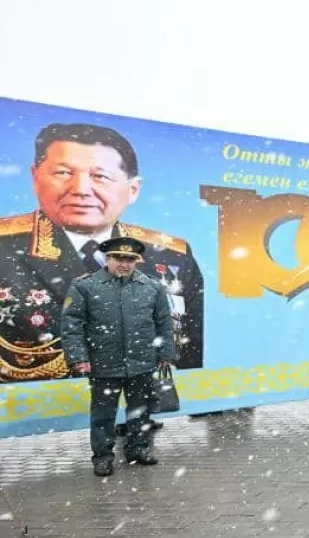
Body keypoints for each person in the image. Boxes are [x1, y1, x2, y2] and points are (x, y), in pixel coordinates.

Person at [0, 123, 203, 384]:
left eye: (100, 176)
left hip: (136, 402)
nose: (81, 189)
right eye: (63, 172)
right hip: (35, 412)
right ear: (35, 177)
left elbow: (191, 345)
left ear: (133, 190)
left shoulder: (170, 255)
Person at [60, 237, 176, 476]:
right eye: (119, 258)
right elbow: (71, 324)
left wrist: (165, 352)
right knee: (103, 415)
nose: (124, 264)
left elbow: (164, 323)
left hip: (142, 361)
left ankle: (138, 449)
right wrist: (78, 356)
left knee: (141, 411)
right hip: (103, 363)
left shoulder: (152, 287)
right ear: (108, 259)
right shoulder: (85, 286)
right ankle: (102, 457)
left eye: (130, 259)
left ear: (137, 261)